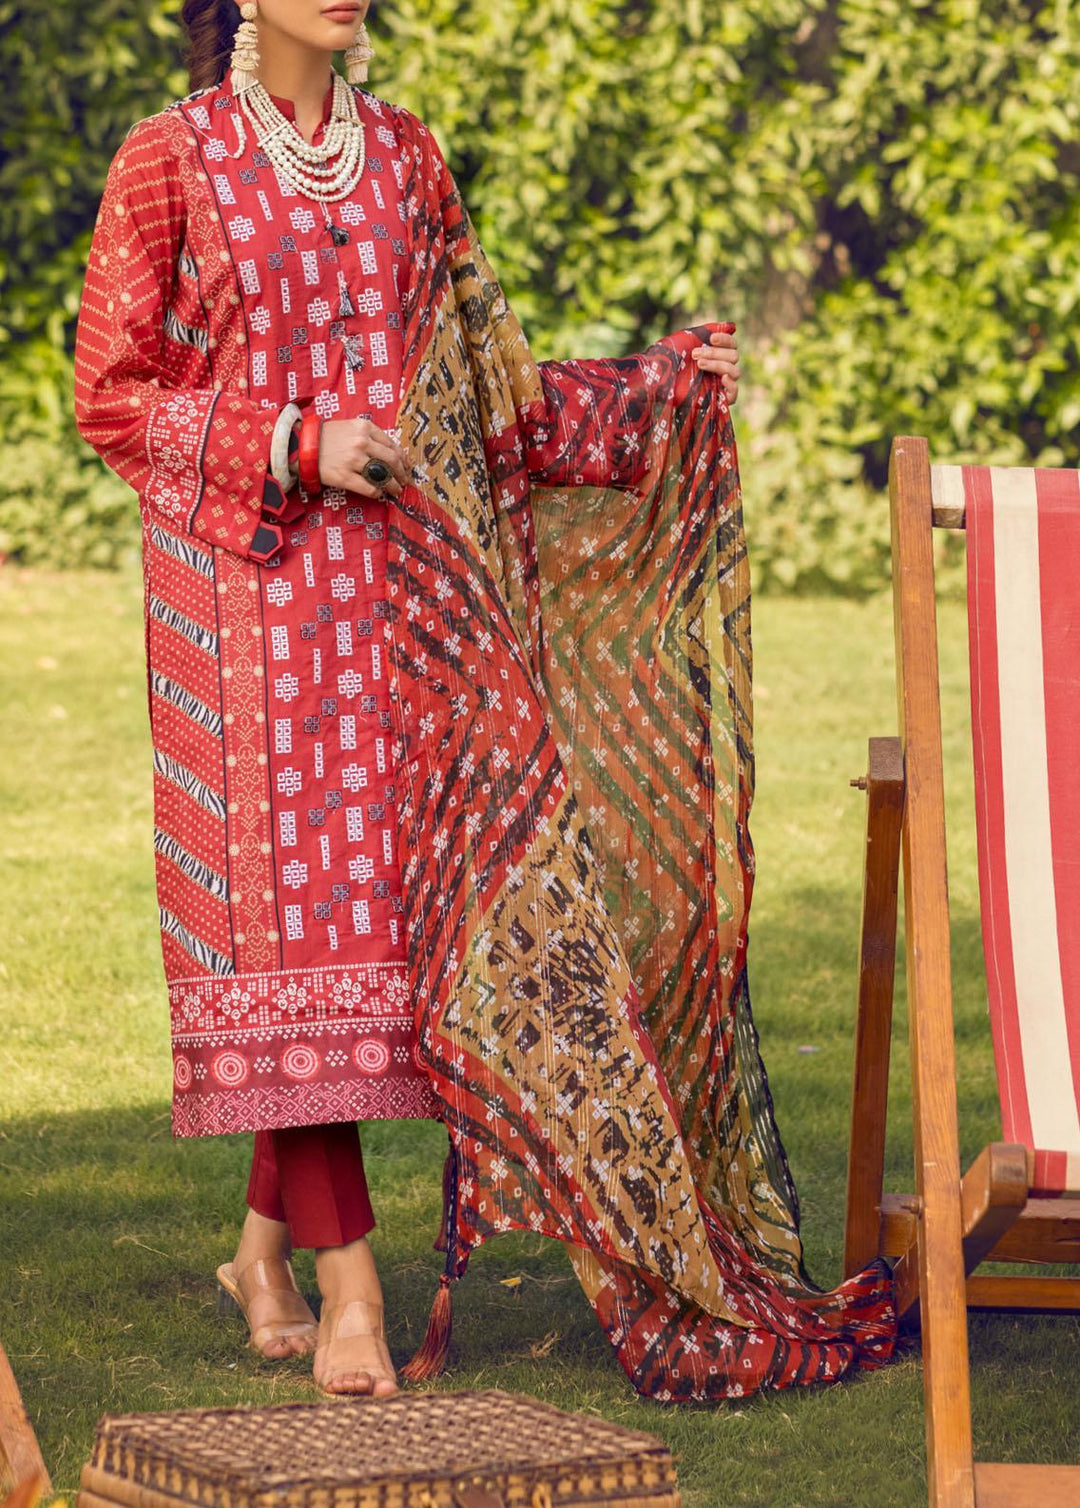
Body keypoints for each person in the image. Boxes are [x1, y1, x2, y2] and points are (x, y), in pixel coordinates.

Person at [74, 0, 893, 1404]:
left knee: (386, 946)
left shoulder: (407, 156)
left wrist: (655, 394)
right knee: (294, 952)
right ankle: (349, 1294)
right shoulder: (170, 157)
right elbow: (111, 393)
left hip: (412, 599)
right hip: (249, 613)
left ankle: (262, 1254)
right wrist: (295, 439)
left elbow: (487, 392)